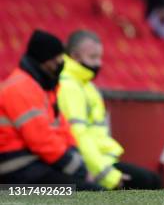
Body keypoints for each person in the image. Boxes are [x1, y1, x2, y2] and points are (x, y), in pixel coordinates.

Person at [57, 30, 162, 190]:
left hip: (101, 160)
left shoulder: (85, 85)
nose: (99, 63)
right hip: (90, 166)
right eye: (92, 57)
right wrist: (107, 175)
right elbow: (78, 137)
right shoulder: (69, 87)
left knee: (151, 180)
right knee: (148, 182)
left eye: (100, 57)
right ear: (74, 56)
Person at [0, 30, 101, 190]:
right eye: (57, 59)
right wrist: (78, 170)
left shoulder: (43, 88)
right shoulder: (19, 88)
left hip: (36, 166)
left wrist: (77, 160)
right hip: (17, 174)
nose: (61, 63)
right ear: (44, 60)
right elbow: (41, 140)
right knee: (95, 194)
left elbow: (62, 129)